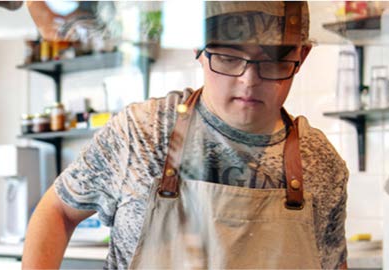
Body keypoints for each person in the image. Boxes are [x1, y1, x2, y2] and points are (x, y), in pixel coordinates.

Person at [22, 1, 348, 269]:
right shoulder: (141, 134)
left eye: (274, 61)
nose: (248, 80)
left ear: (301, 56)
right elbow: (57, 211)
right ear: (199, 47)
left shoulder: (320, 161)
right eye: (228, 56)